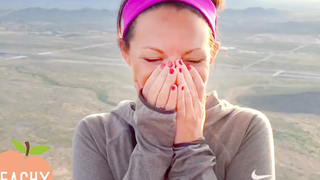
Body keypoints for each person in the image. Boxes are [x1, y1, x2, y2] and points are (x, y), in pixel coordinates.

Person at [72, 0, 276, 179]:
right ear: (125, 51)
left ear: (212, 55)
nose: (175, 77)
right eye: (153, 59)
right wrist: (152, 145)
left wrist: (190, 148)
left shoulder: (244, 130)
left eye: (193, 60)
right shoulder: (98, 135)